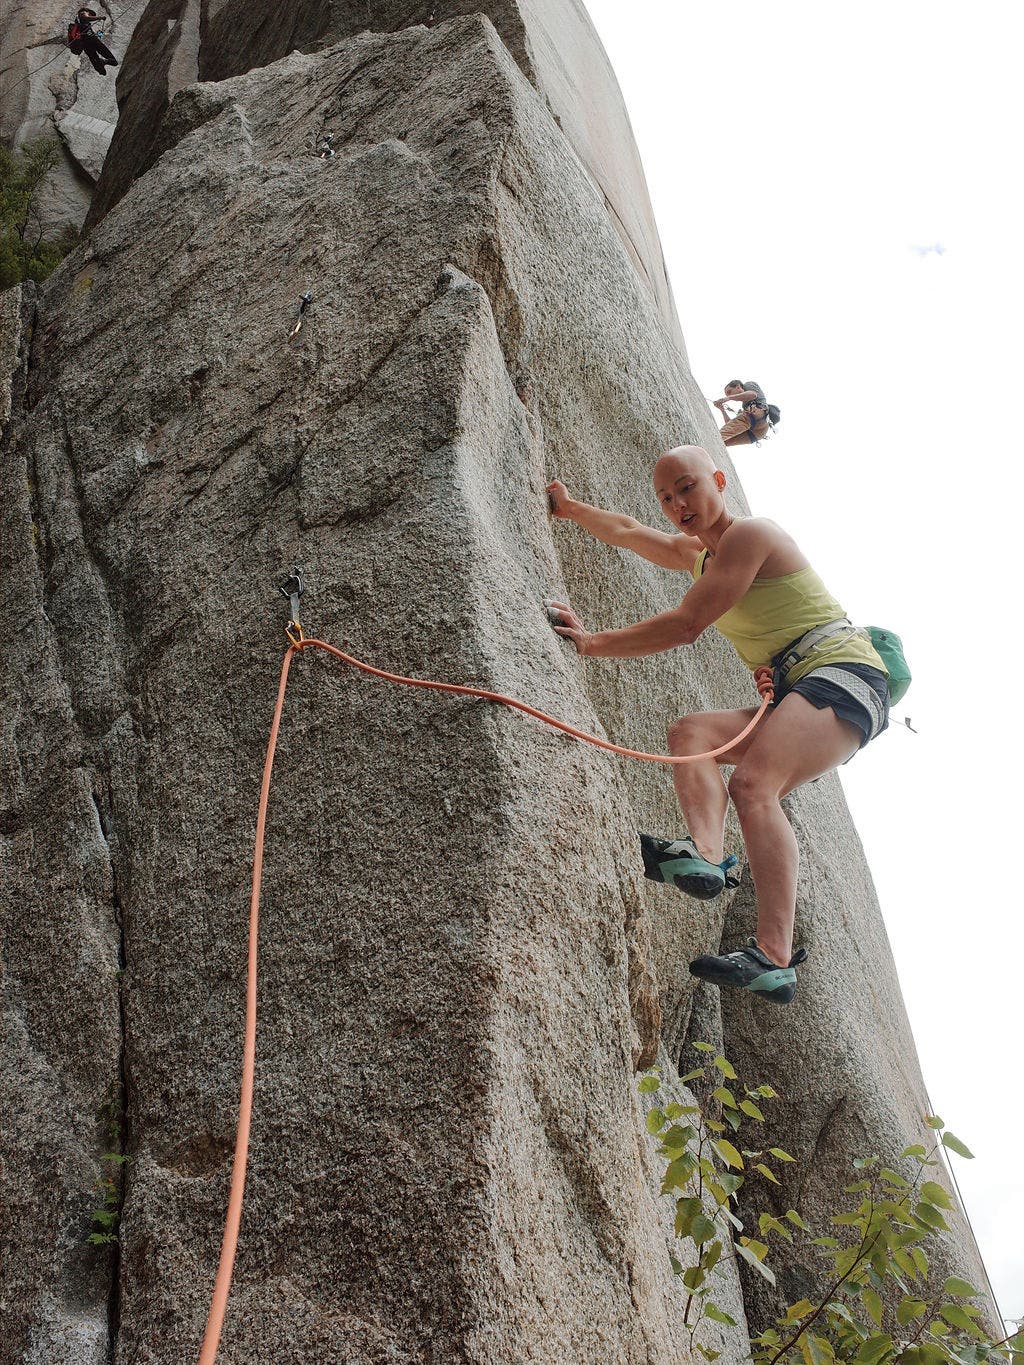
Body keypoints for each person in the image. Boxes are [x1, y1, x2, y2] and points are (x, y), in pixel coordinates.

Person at [545, 446, 889, 1005]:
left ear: (719, 481)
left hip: (844, 675)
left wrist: (590, 643)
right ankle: (704, 854)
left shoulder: (752, 535)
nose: (679, 504)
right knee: (691, 734)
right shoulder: (697, 554)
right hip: (805, 685)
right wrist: (572, 509)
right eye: (667, 497)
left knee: (754, 785)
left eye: (688, 487)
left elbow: (687, 625)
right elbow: (632, 533)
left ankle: (774, 956)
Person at [712, 379, 773, 446]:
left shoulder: (748, 385)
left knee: (718, 437)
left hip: (757, 415)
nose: (728, 395)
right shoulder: (745, 406)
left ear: (738, 386)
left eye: (729, 392)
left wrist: (727, 398)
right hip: (758, 433)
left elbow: (753, 395)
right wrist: (722, 410)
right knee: (724, 442)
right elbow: (730, 424)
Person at [68, 8, 118, 74]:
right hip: (92, 40)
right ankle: (105, 63)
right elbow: (86, 17)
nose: (91, 16)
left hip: (85, 44)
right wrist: (100, 17)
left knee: (93, 57)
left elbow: (89, 32)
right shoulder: (82, 13)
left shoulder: (83, 24)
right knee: (111, 59)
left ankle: (101, 68)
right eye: (91, 14)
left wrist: (99, 34)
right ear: (88, 12)